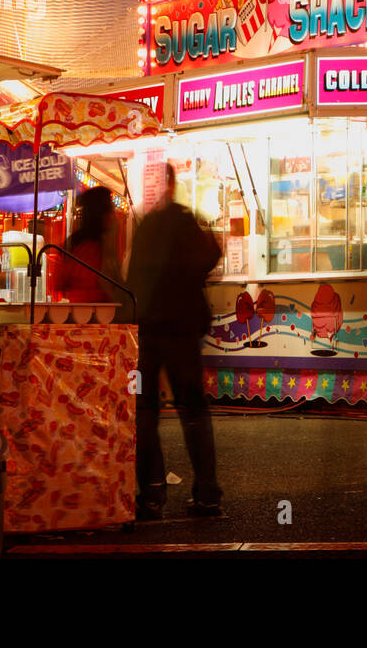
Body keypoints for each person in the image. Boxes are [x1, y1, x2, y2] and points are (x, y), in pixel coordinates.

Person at [126, 163, 223, 519]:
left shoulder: (145, 225)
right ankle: (207, 491)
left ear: (163, 185)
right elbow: (210, 256)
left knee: (146, 410)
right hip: (181, 328)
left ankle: (152, 494)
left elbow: (132, 279)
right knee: (193, 409)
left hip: (149, 328)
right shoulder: (183, 220)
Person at [50, 186, 119, 303]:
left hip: (85, 312)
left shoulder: (74, 244)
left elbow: (57, 282)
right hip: (91, 314)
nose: (113, 217)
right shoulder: (90, 248)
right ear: (100, 215)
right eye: (110, 212)